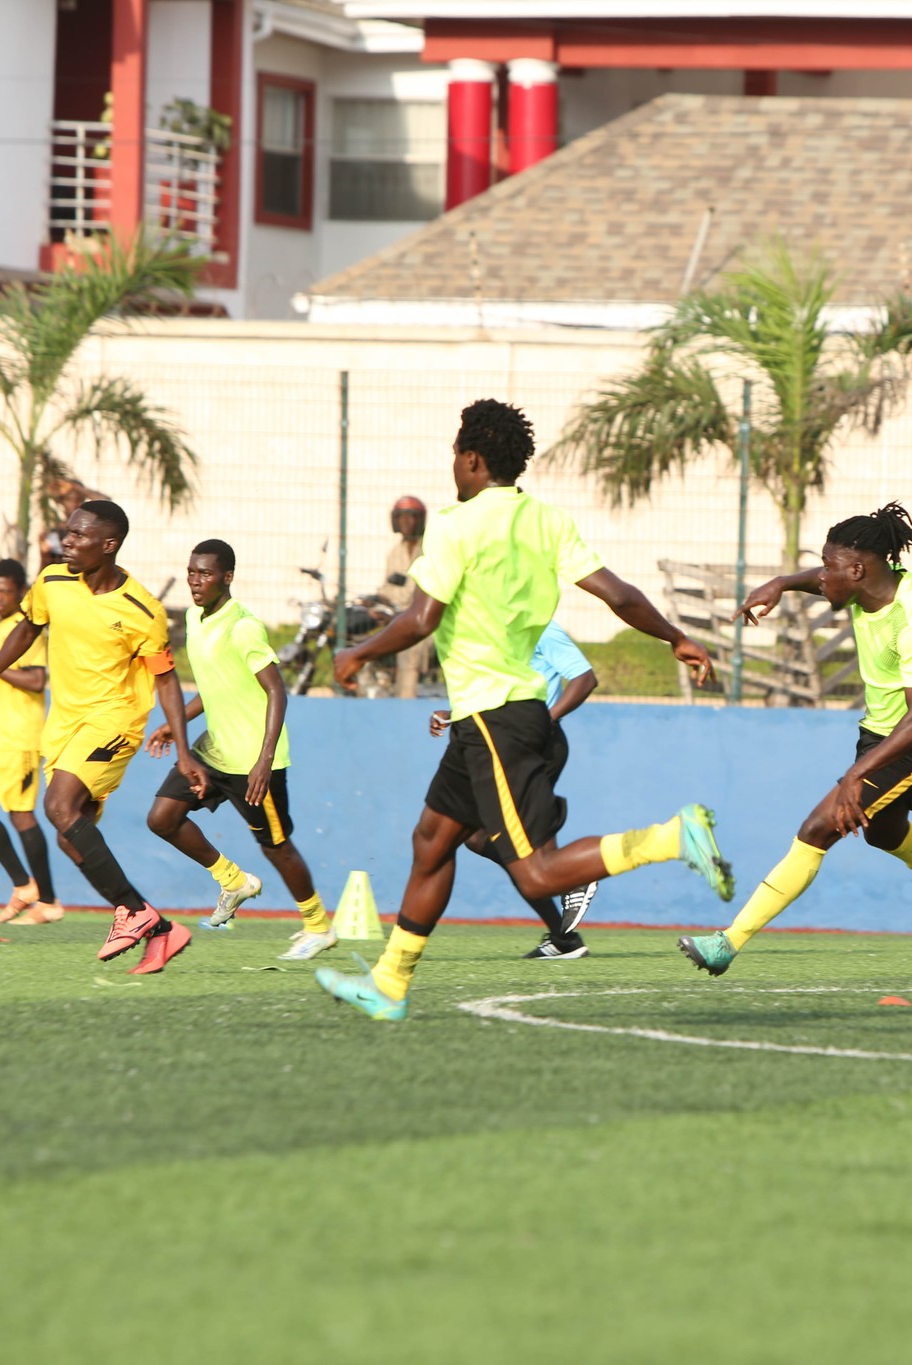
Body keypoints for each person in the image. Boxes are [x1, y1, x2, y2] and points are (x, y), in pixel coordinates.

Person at [313, 399, 732, 1020]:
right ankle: (390, 984)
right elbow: (619, 594)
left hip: (494, 717)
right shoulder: (546, 520)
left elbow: (420, 618)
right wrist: (675, 636)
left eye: (456, 455)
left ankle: (671, 837)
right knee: (431, 841)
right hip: (489, 718)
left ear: (472, 459)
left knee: (535, 876)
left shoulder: (455, 525)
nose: (453, 465)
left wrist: (358, 653)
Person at [678, 503, 912, 975]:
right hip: (881, 730)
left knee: (817, 828)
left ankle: (727, 943)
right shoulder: (867, 586)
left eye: (829, 566)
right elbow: (822, 577)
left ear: (858, 570)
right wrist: (780, 584)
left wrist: (857, 774)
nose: (822, 578)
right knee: (884, 834)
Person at [0, 501, 207, 974]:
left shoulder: (143, 610)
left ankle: (133, 915)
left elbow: (167, 680)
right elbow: (30, 627)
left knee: (57, 806)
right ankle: (159, 929)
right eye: (66, 534)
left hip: (115, 722)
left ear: (108, 545)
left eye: (77, 536)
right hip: (64, 725)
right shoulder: (52, 582)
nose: (66, 542)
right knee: (71, 839)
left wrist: (183, 751)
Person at [142, 540, 335, 962]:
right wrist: (176, 728)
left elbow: (276, 693)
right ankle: (233, 880)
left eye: (205, 574)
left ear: (227, 577)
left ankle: (318, 925)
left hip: (251, 760)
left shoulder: (243, 627)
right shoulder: (194, 617)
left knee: (276, 846)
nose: (195, 581)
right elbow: (216, 686)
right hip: (214, 750)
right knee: (163, 817)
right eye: (191, 572)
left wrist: (264, 761)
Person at [429, 619, 603, 960]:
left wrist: (545, 720)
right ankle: (564, 931)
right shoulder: (495, 631)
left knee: (500, 841)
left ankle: (567, 887)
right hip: (504, 740)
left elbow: (585, 679)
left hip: (537, 744)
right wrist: (455, 713)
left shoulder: (543, 629)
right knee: (479, 838)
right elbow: (503, 695)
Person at [0, 558, 61, 924]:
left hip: (20, 738)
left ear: (21, 592)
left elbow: (35, 680)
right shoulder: (4, 627)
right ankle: (24, 886)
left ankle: (48, 901)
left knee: (21, 815)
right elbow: (3, 676)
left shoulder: (25, 627)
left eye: (5, 591)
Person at [378, 495, 433, 699]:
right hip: (396, 615)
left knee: (410, 648)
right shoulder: (395, 552)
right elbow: (388, 587)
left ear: (420, 520)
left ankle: (405, 700)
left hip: (425, 620)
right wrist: (377, 600)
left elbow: (416, 593)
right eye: (401, 517)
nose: (406, 522)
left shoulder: (429, 548)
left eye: (411, 517)